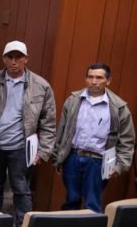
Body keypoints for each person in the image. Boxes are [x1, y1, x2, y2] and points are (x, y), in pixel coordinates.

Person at [0, 41, 56, 227]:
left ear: (26, 59)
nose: (14, 61)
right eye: (10, 57)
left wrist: (43, 152)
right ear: (4, 59)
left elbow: (49, 123)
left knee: (21, 190)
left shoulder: (41, 86)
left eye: (18, 57)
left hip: (22, 148)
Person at [54, 63, 135, 213]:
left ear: (108, 81)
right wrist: (58, 157)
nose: (94, 81)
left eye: (99, 77)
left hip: (98, 162)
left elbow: (127, 141)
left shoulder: (118, 107)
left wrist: (120, 166)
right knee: (71, 201)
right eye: (90, 77)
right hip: (72, 158)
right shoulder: (73, 101)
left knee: (92, 204)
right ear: (86, 79)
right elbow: (62, 131)